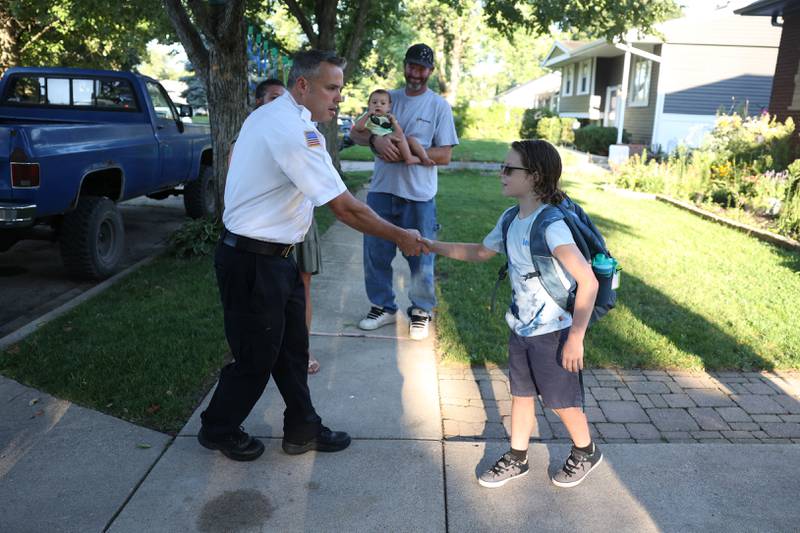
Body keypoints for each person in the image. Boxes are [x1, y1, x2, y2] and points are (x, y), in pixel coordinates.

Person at [198, 49, 423, 462]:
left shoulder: (288, 118)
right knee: (256, 356)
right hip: (252, 261)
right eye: (331, 88)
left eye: (340, 88)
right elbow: (344, 207)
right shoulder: (288, 129)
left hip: (278, 257)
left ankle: (302, 427)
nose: (338, 97)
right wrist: (399, 236)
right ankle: (218, 427)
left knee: (292, 349)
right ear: (303, 85)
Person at [420, 140, 603, 488]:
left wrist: (576, 338)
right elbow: (478, 252)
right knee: (520, 393)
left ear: (534, 176)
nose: (500, 174)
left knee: (561, 401)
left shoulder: (551, 226)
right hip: (521, 326)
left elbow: (588, 282)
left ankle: (586, 451)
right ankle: (517, 458)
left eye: (508, 169)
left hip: (554, 331)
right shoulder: (510, 218)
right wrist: (432, 245)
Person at [350, 43, 459, 341]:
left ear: (431, 71)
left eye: (422, 68)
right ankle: (382, 307)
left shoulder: (438, 106)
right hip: (382, 191)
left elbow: (445, 156)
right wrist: (375, 141)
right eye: (411, 66)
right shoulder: (387, 99)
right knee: (375, 252)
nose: (416, 73)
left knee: (421, 256)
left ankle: (421, 311)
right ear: (404, 66)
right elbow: (355, 132)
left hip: (419, 196)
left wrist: (404, 154)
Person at [352, 89, 435, 166]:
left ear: (388, 107)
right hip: (380, 145)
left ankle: (424, 158)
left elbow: (399, 132)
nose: (378, 105)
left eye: (383, 103)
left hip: (393, 141)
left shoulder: (388, 118)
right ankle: (409, 158)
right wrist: (367, 114)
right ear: (369, 105)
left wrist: (394, 122)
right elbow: (358, 128)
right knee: (401, 138)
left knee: (410, 139)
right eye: (374, 102)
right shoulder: (368, 117)